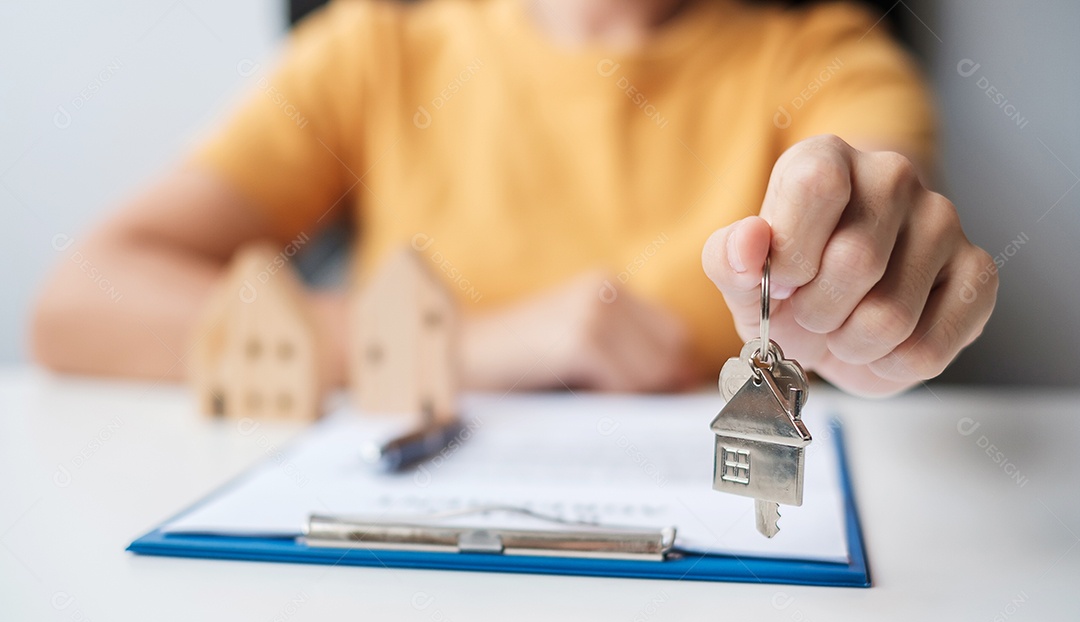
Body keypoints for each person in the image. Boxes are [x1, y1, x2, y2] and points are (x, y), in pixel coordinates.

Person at [30, 0, 997, 398]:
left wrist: (874, 285)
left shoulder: (827, 56)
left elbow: (873, 191)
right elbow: (81, 303)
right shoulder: (374, 46)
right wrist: (456, 345)